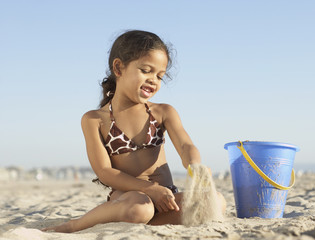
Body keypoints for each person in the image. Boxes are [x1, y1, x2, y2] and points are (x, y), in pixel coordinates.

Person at [43, 30, 225, 233]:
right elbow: (105, 172)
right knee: (141, 208)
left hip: (166, 198)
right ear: (119, 68)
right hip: (130, 199)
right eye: (146, 70)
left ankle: (148, 225)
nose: (154, 80)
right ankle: (73, 226)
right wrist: (149, 189)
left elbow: (185, 145)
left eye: (159, 76)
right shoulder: (95, 119)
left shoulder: (163, 112)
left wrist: (195, 165)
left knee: (216, 200)